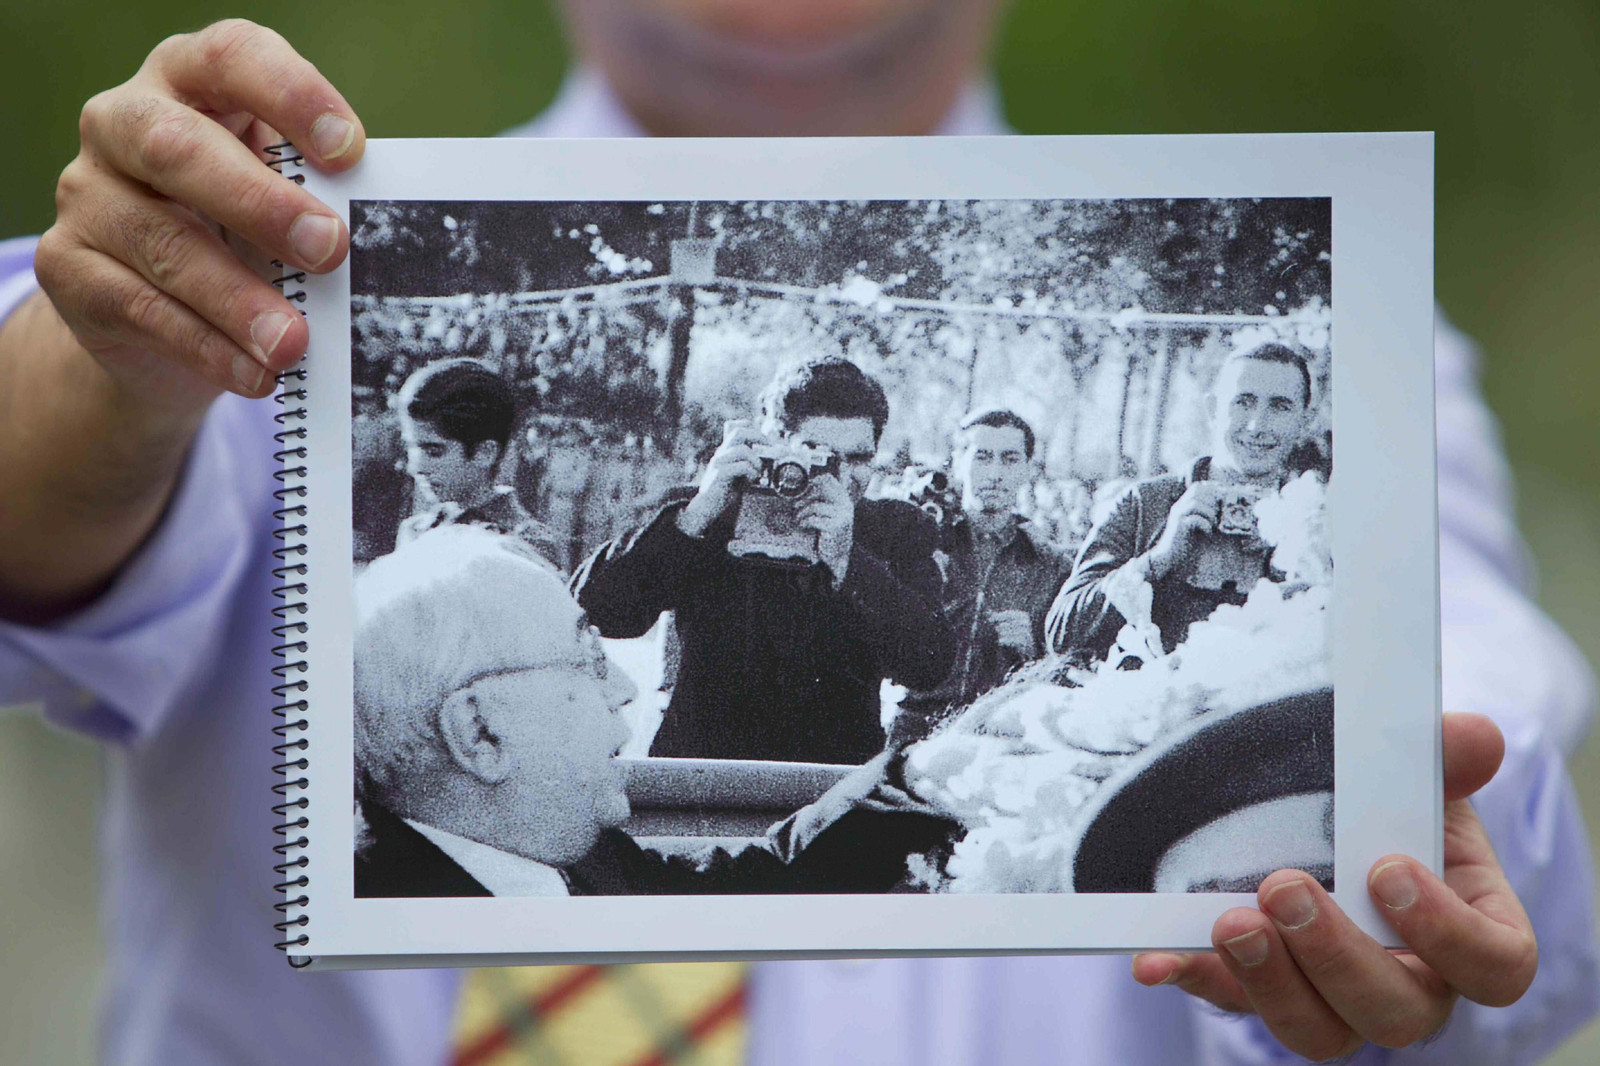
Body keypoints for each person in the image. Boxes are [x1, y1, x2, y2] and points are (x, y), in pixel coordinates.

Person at [0, 5, 1593, 1065]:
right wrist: (101, 358)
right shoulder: (255, 272)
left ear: (873, 455)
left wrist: (1415, 842)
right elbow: (608, 601)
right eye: (791, 453)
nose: (804, 476)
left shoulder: (908, 526)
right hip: (672, 766)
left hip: (839, 782)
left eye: (837, 458)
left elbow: (1490, 700)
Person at [353, 524, 947, 898]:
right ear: (478, 731)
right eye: (585, 656)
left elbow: (770, 877)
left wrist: (937, 769)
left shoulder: (588, 859)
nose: (622, 688)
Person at [573, 357, 955, 764]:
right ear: (776, 442)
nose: (839, 478)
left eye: (859, 459)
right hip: (706, 773)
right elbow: (598, 611)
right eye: (819, 454)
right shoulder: (714, 512)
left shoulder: (896, 530)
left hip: (830, 782)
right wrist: (697, 513)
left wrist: (847, 561)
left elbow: (930, 663)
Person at [1047, 341, 1317, 663]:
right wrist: (1158, 558)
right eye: (1243, 402)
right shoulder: (1145, 503)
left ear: (1305, 420)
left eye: (1280, 406)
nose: (1257, 425)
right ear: (1213, 410)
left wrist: (1296, 568)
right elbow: (1062, 634)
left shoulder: (1318, 523)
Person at [892, 408, 1070, 745]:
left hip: (996, 735)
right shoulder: (923, 540)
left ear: (1028, 469)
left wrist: (1033, 647)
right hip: (913, 725)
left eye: (1010, 459)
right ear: (958, 462)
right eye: (983, 457)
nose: (995, 474)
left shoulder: (1051, 564)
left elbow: (1064, 671)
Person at [393, 358, 560, 563]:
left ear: (485, 453)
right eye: (411, 448)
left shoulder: (524, 544)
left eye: (434, 451)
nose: (415, 467)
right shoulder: (416, 531)